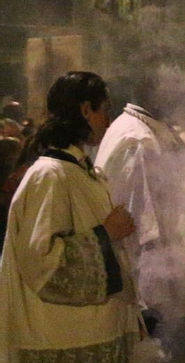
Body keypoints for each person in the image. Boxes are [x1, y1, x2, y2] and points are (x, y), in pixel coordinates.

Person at [0, 71, 142, 363]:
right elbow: (42, 264)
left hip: (93, 334)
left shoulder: (78, 170)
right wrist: (106, 234)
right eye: (105, 109)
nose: (109, 119)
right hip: (65, 342)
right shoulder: (49, 176)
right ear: (86, 110)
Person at [94, 67, 185, 357]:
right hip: (145, 289)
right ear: (159, 95)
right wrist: (157, 303)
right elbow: (143, 229)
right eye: (177, 88)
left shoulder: (136, 129)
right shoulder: (139, 140)